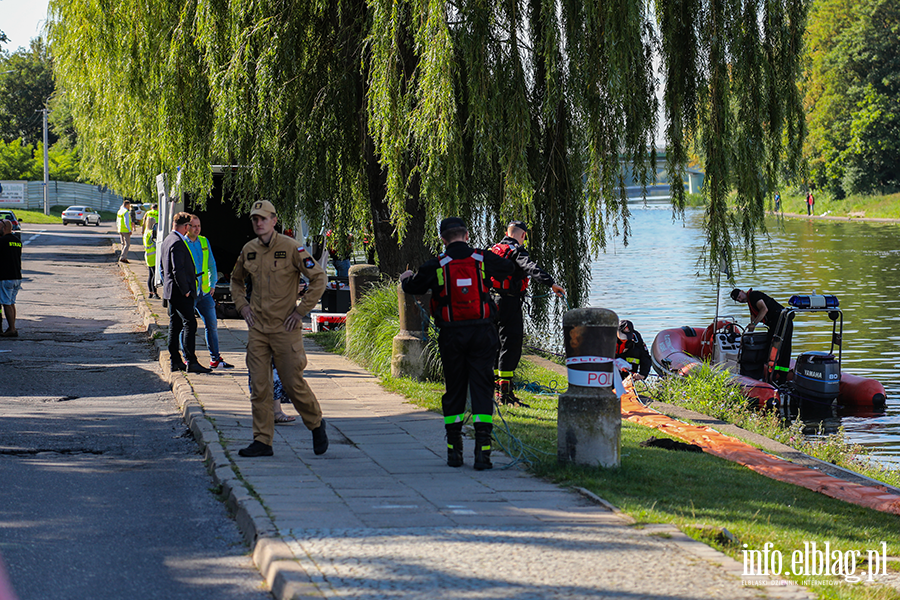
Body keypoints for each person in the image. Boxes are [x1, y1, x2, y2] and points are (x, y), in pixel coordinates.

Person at [400, 217, 515, 470]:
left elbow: (413, 287)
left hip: (451, 335)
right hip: (483, 333)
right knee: (483, 388)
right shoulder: (482, 259)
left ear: (443, 239)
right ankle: (483, 453)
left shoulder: (437, 265)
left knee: (454, 389)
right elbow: (508, 270)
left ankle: (454, 451)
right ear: (466, 234)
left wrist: (406, 277)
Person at [230, 200, 329, 458]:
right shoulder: (248, 250)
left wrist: (300, 311)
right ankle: (263, 441)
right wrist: (242, 307)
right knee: (259, 386)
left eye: (263, 218)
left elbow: (318, 278)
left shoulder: (291, 248)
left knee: (291, 382)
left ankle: (316, 423)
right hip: (258, 329)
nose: (258, 223)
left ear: (274, 220)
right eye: (255, 219)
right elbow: (236, 281)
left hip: (285, 328)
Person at [488, 220, 565, 406]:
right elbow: (531, 268)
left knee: (495, 345)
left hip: (489, 301)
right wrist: (551, 283)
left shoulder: (492, 249)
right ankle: (505, 394)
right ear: (522, 235)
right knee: (510, 345)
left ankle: (496, 391)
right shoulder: (517, 251)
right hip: (508, 302)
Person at [159, 212, 211, 374]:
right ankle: (191, 361)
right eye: (189, 225)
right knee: (190, 323)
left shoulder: (168, 240)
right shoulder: (177, 242)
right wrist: (186, 290)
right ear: (186, 226)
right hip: (180, 292)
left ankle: (175, 360)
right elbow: (177, 269)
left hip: (171, 291)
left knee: (175, 324)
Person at [186, 215, 233, 368]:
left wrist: (212, 284)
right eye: (194, 226)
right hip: (190, 292)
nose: (197, 229)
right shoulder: (182, 243)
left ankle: (215, 359)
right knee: (187, 326)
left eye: (199, 226)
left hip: (205, 292)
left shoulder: (204, 241)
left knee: (212, 325)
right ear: (187, 227)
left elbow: (212, 264)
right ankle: (187, 358)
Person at [731, 288, 793, 384]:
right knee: (778, 348)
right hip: (778, 322)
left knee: (775, 348)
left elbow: (764, 309)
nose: (740, 300)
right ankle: (778, 376)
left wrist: (754, 324)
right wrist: (750, 332)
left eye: (739, 297)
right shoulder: (750, 302)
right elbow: (753, 317)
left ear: (743, 292)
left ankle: (778, 377)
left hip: (781, 320)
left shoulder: (753, 296)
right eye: (738, 300)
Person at [0, 220, 23, 338]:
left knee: (6, 303)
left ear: (4, 228)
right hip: (16, 276)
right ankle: (11, 327)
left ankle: (12, 329)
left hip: (5, 277)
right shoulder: (17, 241)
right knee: (11, 302)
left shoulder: (2, 241)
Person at [143, 216, 159, 299]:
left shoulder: (146, 232)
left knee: (150, 275)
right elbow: (155, 243)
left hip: (148, 255)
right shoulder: (151, 233)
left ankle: (150, 292)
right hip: (153, 256)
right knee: (154, 275)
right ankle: (154, 292)